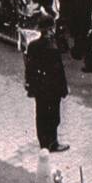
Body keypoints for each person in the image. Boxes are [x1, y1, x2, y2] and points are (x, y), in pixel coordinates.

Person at [24, 16, 69, 152]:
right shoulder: (53, 48)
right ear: (50, 30)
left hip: (39, 87)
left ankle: (43, 143)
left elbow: (29, 67)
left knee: (41, 114)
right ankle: (53, 143)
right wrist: (63, 88)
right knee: (53, 116)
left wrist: (30, 84)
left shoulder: (33, 45)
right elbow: (58, 71)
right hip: (52, 88)